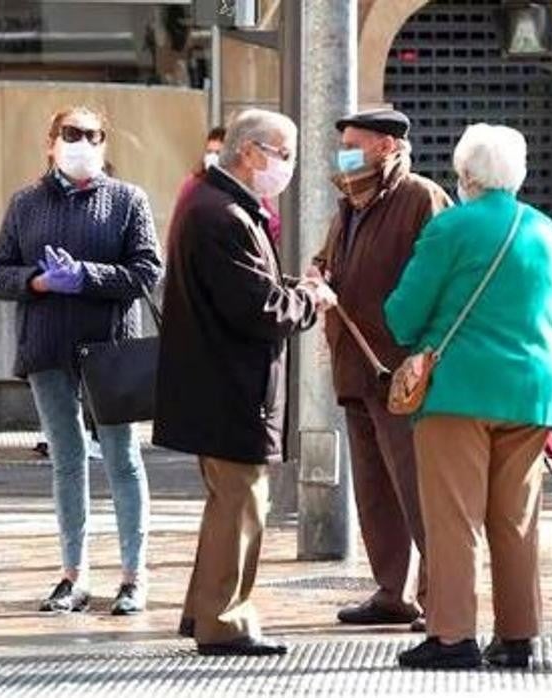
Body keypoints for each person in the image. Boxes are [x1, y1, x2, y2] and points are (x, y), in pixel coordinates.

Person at [384, 123, 552, 670]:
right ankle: (518, 634)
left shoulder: (451, 228)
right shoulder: (550, 233)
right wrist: (551, 378)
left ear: (467, 175)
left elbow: (403, 314)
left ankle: (452, 636)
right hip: (533, 397)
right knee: (515, 518)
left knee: (454, 517)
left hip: (458, 391)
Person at [153, 109, 337, 657]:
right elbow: (258, 307)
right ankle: (224, 619)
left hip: (218, 381)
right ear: (250, 152)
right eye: (284, 155)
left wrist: (291, 289)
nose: (288, 167)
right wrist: (309, 299)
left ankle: (202, 609)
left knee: (228, 502)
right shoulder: (223, 213)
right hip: (229, 385)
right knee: (241, 501)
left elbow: (247, 285)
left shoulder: (215, 204)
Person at [0, 106, 163, 617]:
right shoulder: (26, 203)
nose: (82, 142)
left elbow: (146, 271)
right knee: (67, 461)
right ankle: (73, 574)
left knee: (123, 460)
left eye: (93, 135)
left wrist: (87, 275)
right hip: (48, 347)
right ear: (51, 143)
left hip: (110, 350)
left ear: (105, 143)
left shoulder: (128, 200)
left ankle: (133, 575)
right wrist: (35, 283)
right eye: (72, 134)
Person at [309, 109, 452, 629]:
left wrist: (424, 353)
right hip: (356, 367)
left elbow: (443, 276)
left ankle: (441, 594)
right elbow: (330, 259)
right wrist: (320, 271)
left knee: (417, 486)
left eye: (355, 143)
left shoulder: (420, 197)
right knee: (374, 490)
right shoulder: (349, 202)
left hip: (402, 372)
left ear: (388, 146)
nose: (345, 152)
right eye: (343, 142)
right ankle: (392, 590)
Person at [171, 127, 281, 251]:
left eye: (218, 153)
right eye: (209, 152)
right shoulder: (194, 184)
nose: (212, 157)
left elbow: (270, 221)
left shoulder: (242, 186)